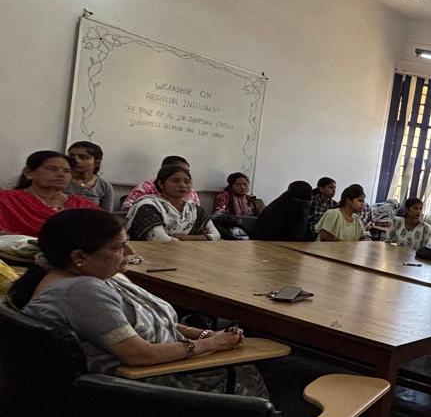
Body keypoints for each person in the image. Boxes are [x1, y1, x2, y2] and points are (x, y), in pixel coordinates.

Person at [10, 209, 261, 394]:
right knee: (248, 369)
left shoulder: (79, 276)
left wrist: (203, 333)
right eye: (118, 247)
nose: (130, 253)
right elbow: (140, 355)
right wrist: (211, 344)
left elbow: (141, 319)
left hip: (136, 377)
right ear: (79, 257)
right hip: (137, 390)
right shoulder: (81, 291)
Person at [0, 151, 98, 236]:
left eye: (67, 171)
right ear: (28, 173)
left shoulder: (83, 205)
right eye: (52, 169)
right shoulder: (7, 200)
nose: (61, 174)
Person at [125, 164, 220, 242]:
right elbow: (160, 239)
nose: (182, 185)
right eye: (175, 181)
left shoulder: (195, 210)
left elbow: (216, 236)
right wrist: (202, 238)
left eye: (187, 182)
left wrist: (184, 237)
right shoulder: (148, 206)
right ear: (161, 184)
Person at [121, 155, 201, 211]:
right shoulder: (146, 186)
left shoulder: (190, 191)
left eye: (187, 171)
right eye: (175, 180)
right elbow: (127, 207)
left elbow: (197, 213)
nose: (182, 185)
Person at [65, 140, 115, 210]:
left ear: (97, 163)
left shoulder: (104, 186)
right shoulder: (61, 180)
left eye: (82, 157)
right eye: (71, 156)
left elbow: (106, 214)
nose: (76, 160)